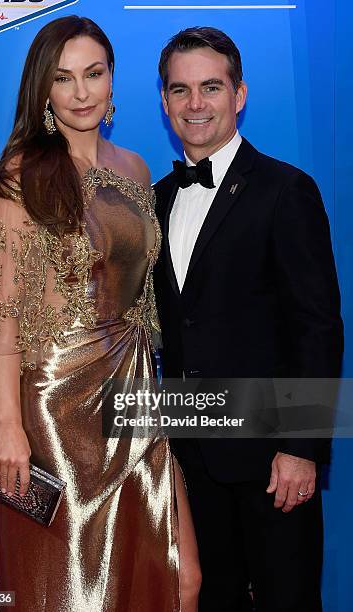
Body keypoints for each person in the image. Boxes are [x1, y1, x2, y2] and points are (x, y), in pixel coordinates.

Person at [0, 16, 201, 612]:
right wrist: (8, 429)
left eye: (93, 74)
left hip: (136, 390)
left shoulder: (138, 169)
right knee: (72, 590)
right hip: (55, 406)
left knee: (175, 576)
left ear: (112, 79)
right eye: (63, 78)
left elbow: (143, 297)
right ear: (43, 90)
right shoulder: (22, 176)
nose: (81, 93)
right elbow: (3, 314)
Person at [153, 26, 343, 612]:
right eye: (180, 90)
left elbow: (318, 327)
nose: (195, 104)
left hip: (271, 459)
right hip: (189, 457)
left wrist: (301, 447)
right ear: (164, 102)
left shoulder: (287, 190)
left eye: (211, 87)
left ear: (239, 95)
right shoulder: (154, 199)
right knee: (214, 600)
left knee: (287, 599)